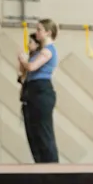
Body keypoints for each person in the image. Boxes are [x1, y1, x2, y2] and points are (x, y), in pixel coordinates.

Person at [18, 18, 60, 163]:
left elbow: (31, 67)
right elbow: (24, 73)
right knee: (34, 134)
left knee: (44, 133)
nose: (36, 33)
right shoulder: (38, 51)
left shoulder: (48, 51)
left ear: (48, 32)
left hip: (42, 92)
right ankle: (41, 165)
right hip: (32, 92)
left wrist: (23, 60)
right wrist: (23, 61)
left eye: (39, 30)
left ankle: (53, 168)